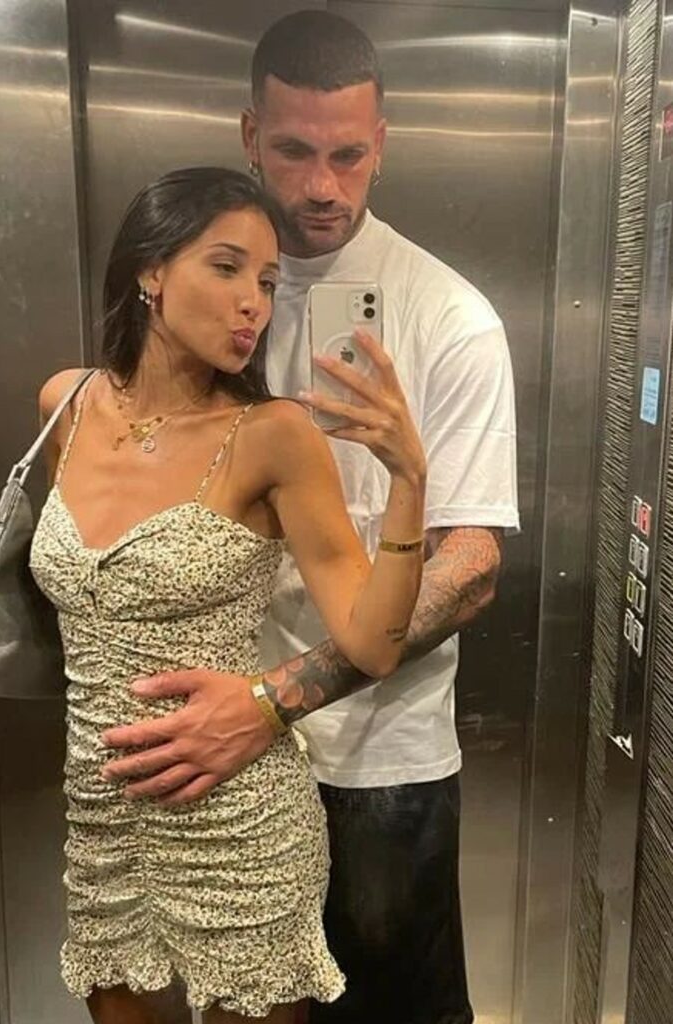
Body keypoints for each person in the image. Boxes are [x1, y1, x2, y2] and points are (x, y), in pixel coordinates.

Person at [100, 12, 520, 1024]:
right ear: (250, 136)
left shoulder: (447, 316)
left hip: (376, 763)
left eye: (348, 155)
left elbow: (470, 563)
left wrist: (274, 699)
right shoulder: (200, 299)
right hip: (204, 751)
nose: (322, 186)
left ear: (382, 143)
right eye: (293, 151)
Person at [30, 165, 426, 1024]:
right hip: (101, 820)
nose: (255, 302)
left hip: (238, 822)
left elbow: (372, 643)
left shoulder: (274, 436)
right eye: (227, 267)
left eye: (270, 282)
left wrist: (408, 480)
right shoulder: (66, 405)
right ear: (150, 270)